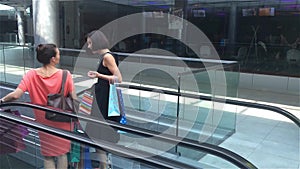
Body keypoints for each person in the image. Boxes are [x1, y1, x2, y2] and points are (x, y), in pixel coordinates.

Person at [0, 44, 77, 169]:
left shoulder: (31, 74)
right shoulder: (65, 74)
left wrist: (2, 100)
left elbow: (16, 95)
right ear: (53, 59)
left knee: (48, 156)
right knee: (62, 154)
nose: (59, 56)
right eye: (58, 54)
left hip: (43, 122)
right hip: (63, 120)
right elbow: (74, 98)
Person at [84, 29, 122, 169]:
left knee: (99, 132)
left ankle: (105, 165)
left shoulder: (107, 57)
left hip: (104, 101)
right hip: (102, 98)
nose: (88, 46)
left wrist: (98, 75)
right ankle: (103, 164)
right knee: (98, 132)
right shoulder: (106, 56)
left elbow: (119, 78)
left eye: (90, 43)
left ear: (97, 42)